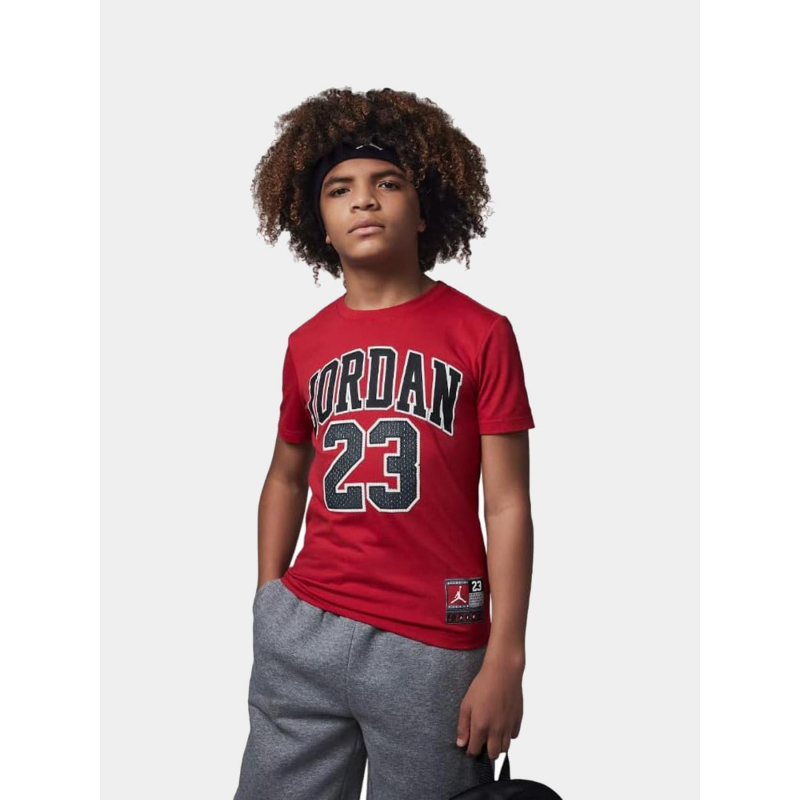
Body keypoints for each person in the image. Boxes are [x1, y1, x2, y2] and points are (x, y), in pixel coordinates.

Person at [233, 87, 535, 800]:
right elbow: (286, 476)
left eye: (388, 183)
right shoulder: (306, 343)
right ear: (320, 225)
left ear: (425, 210)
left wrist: (506, 658)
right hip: (304, 629)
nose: (364, 200)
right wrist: (268, 599)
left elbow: (508, 504)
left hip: (431, 641)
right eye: (339, 189)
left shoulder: (482, 333)